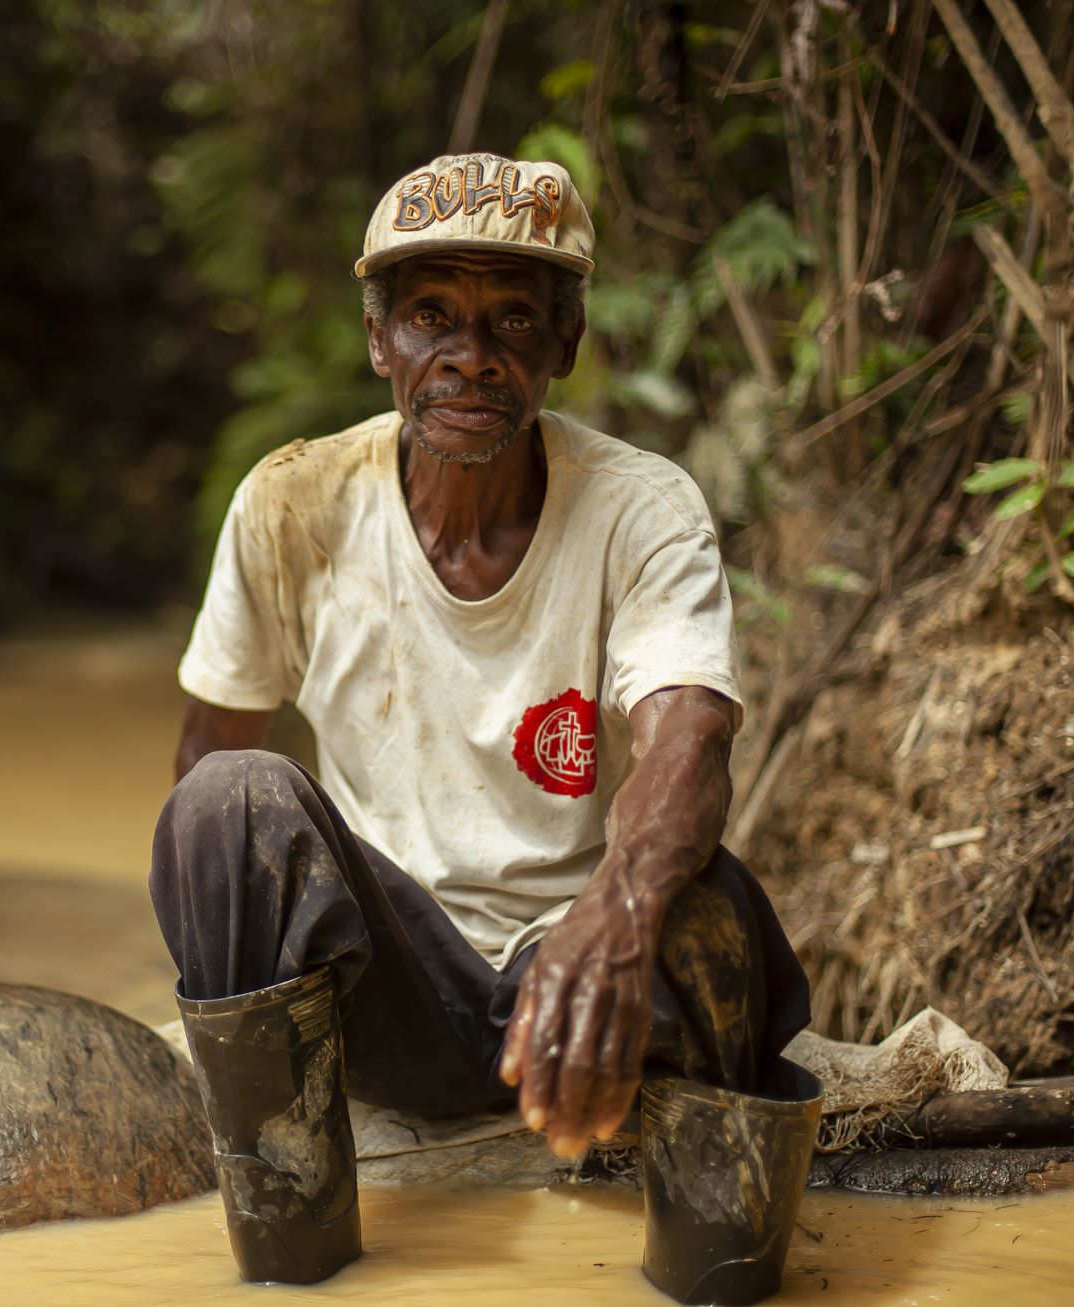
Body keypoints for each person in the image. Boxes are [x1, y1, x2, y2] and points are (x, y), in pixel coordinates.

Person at [150, 152, 811, 1285]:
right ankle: (293, 1251)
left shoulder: (639, 506)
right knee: (229, 801)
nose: (469, 354)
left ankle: (712, 1268)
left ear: (567, 341)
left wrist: (612, 914)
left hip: (591, 986)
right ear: (377, 342)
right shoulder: (296, 500)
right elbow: (208, 761)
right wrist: (233, 992)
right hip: (388, 988)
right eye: (428, 316)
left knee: (706, 900)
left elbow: (690, 738)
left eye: (512, 317)